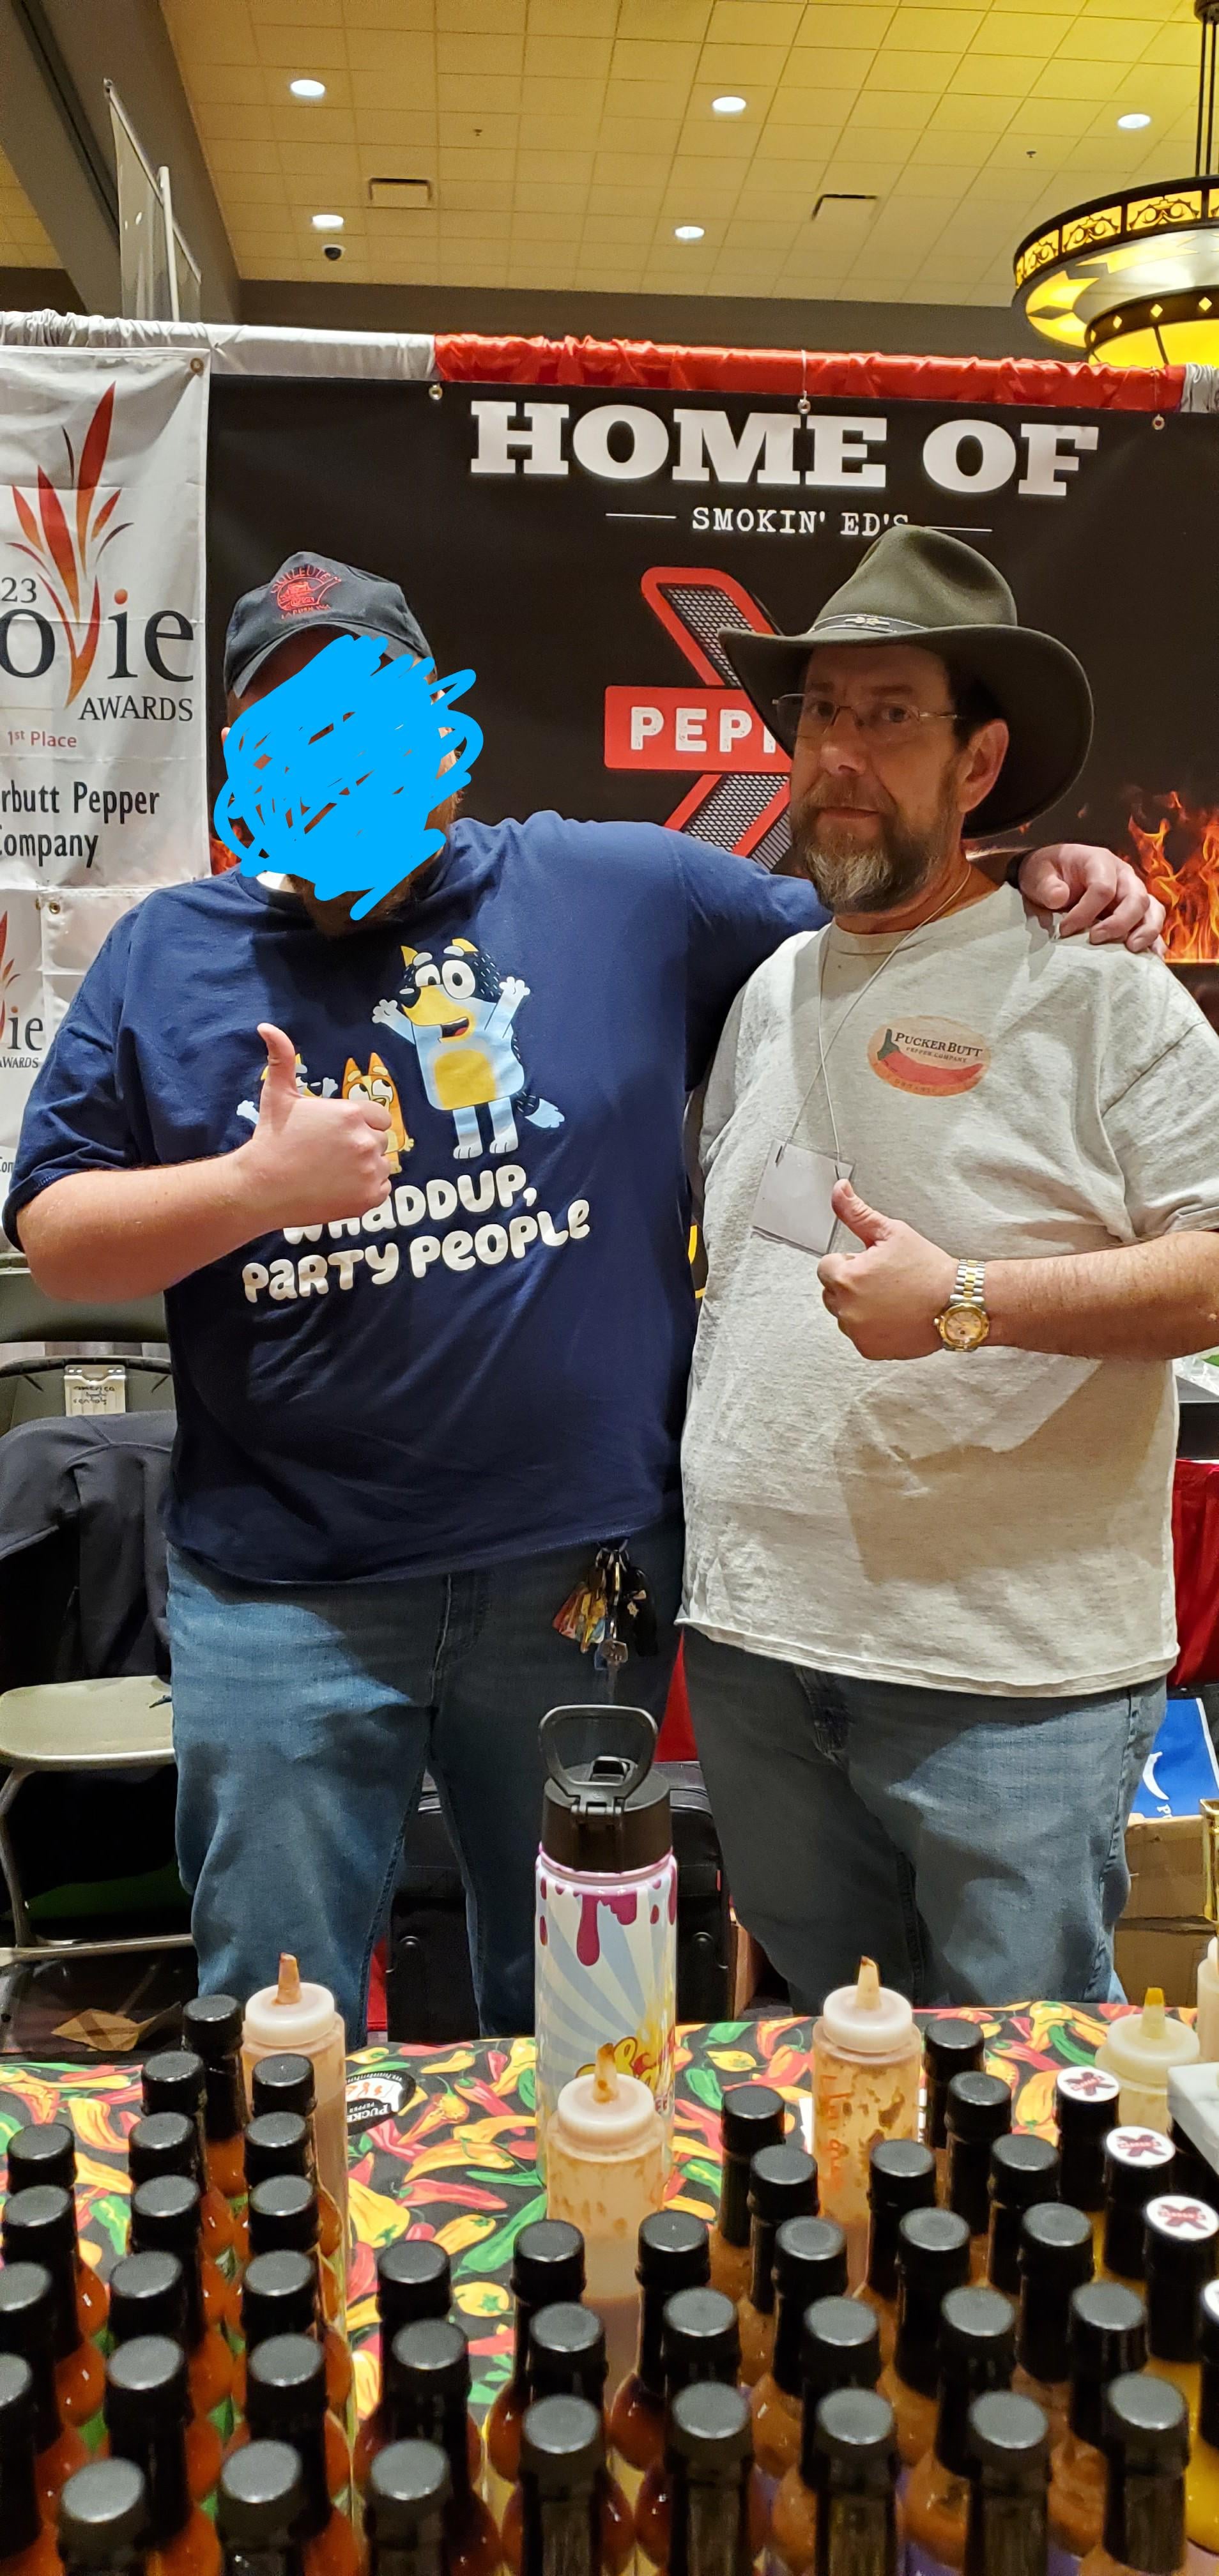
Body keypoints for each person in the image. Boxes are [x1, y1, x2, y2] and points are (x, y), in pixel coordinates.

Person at [3, 551, 1162, 2043]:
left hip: (577, 1593)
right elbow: (58, 1238)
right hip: (284, 1599)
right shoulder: (169, 955)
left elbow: (889, 918)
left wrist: (1041, 875)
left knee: (589, 2011)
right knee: (271, 2018)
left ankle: (580, 2208)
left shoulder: (629, 891)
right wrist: (249, 1190)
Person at [680, 523, 1219, 2012]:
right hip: (761, 1658)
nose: (839, 754)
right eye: (819, 714)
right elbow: (781, 1246)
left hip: (1007, 1690)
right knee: (840, 2059)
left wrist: (971, 1303)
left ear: (979, 765)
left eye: (888, 716)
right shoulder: (775, 986)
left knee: (1018, 2094)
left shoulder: (1102, 993)